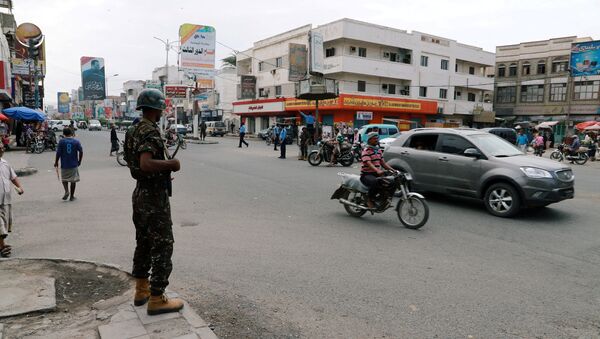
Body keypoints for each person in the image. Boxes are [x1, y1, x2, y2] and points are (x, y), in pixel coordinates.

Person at [123, 88, 184, 315]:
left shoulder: (133, 129)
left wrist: (162, 170)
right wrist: (171, 164)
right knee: (163, 244)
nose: (162, 112)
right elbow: (147, 164)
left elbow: (139, 165)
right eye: (161, 108)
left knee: (144, 242)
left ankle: (141, 289)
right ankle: (157, 298)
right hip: (153, 197)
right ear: (157, 109)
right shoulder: (149, 131)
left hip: (140, 194)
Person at [360, 132, 395, 209]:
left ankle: (384, 198)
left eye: (377, 138)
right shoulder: (366, 150)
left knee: (393, 181)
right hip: (366, 174)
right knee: (375, 182)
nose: (376, 140)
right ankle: (369, 199)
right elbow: (369, 163)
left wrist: (394, 170)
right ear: (369, 140)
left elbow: (383, 163)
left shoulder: (378, 150)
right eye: (374, 139)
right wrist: (377, 170)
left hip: (377, 174)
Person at [0, 145, 23, 257]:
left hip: (5, 199)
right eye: (0, 148)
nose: (2, 149)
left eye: (2, 147)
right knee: (0, 224)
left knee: (4, 222)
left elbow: (12, 177)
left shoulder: (5, 163)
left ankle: (2, 245)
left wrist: (19, 187)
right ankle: (2, 246)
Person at [54, 127, 83, 201]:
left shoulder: (61, 141)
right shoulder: (76, 141)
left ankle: (66, 191)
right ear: (71, 133)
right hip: (73, 164)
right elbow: (81, 151)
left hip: (64, 164)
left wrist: (56, 162)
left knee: (64, 179)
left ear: (63, 134)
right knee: (73, 180)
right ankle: (72, 196)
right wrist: (79, 161)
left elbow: (58, 153)